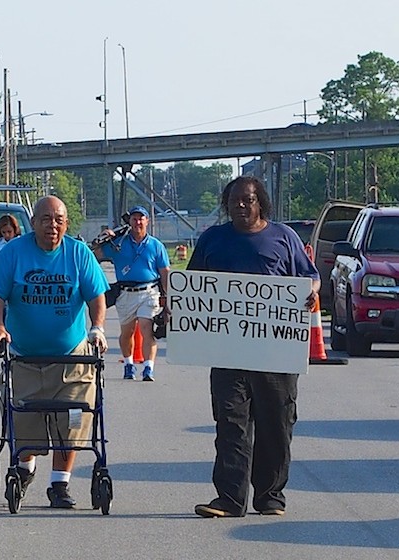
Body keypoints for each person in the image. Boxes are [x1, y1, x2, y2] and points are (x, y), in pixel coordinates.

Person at [186, 176, 319, 518]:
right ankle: (230, 498)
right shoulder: (213, 239)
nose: (241, 207)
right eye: (234, 202)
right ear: (226, 205)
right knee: (231, 423)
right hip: (227, 352)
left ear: (261, 202)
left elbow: (310, 277)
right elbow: (192, 285)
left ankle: (270, 496)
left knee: (276, 423)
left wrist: (312, 294)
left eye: (248, 200)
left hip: (276, 353)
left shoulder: (284, 238)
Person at [0, 195, 110, 509]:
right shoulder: (13, 253)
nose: (52, 225)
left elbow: (97, 297)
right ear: (33, 222)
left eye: (59, 219)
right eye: (45, 219)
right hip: (25, 357)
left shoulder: (78, 254)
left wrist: (97, 327)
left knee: (73, 419)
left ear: (66, 223)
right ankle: (25, 468)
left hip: (72, 357)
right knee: (25, 426)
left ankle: (59, 485)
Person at [93, 205, 170, 381]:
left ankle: (148, 368)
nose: (138, 222)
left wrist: (168, 297)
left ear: (147, 221)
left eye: (141, 218)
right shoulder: (119, 243)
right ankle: (129, 364)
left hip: (149, 292)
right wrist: (104, 238)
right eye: (134, 219)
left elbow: (164, 272)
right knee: (126, 332)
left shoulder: (156, 245)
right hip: (126, 293)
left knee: (146, 327)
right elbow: (95, 254)